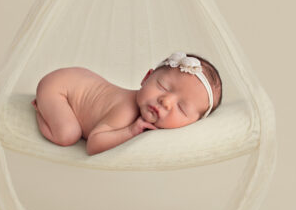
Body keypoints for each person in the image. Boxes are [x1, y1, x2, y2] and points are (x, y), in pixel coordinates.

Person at [32, 52, 222, 155]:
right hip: (60, 88)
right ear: (146, 77)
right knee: (67, 134)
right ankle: (40, 106)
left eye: (181, 108)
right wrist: (131, 131)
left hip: (81, 79)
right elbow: (94, 144)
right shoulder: (126, 110)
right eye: (162, 86)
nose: (166, 101)